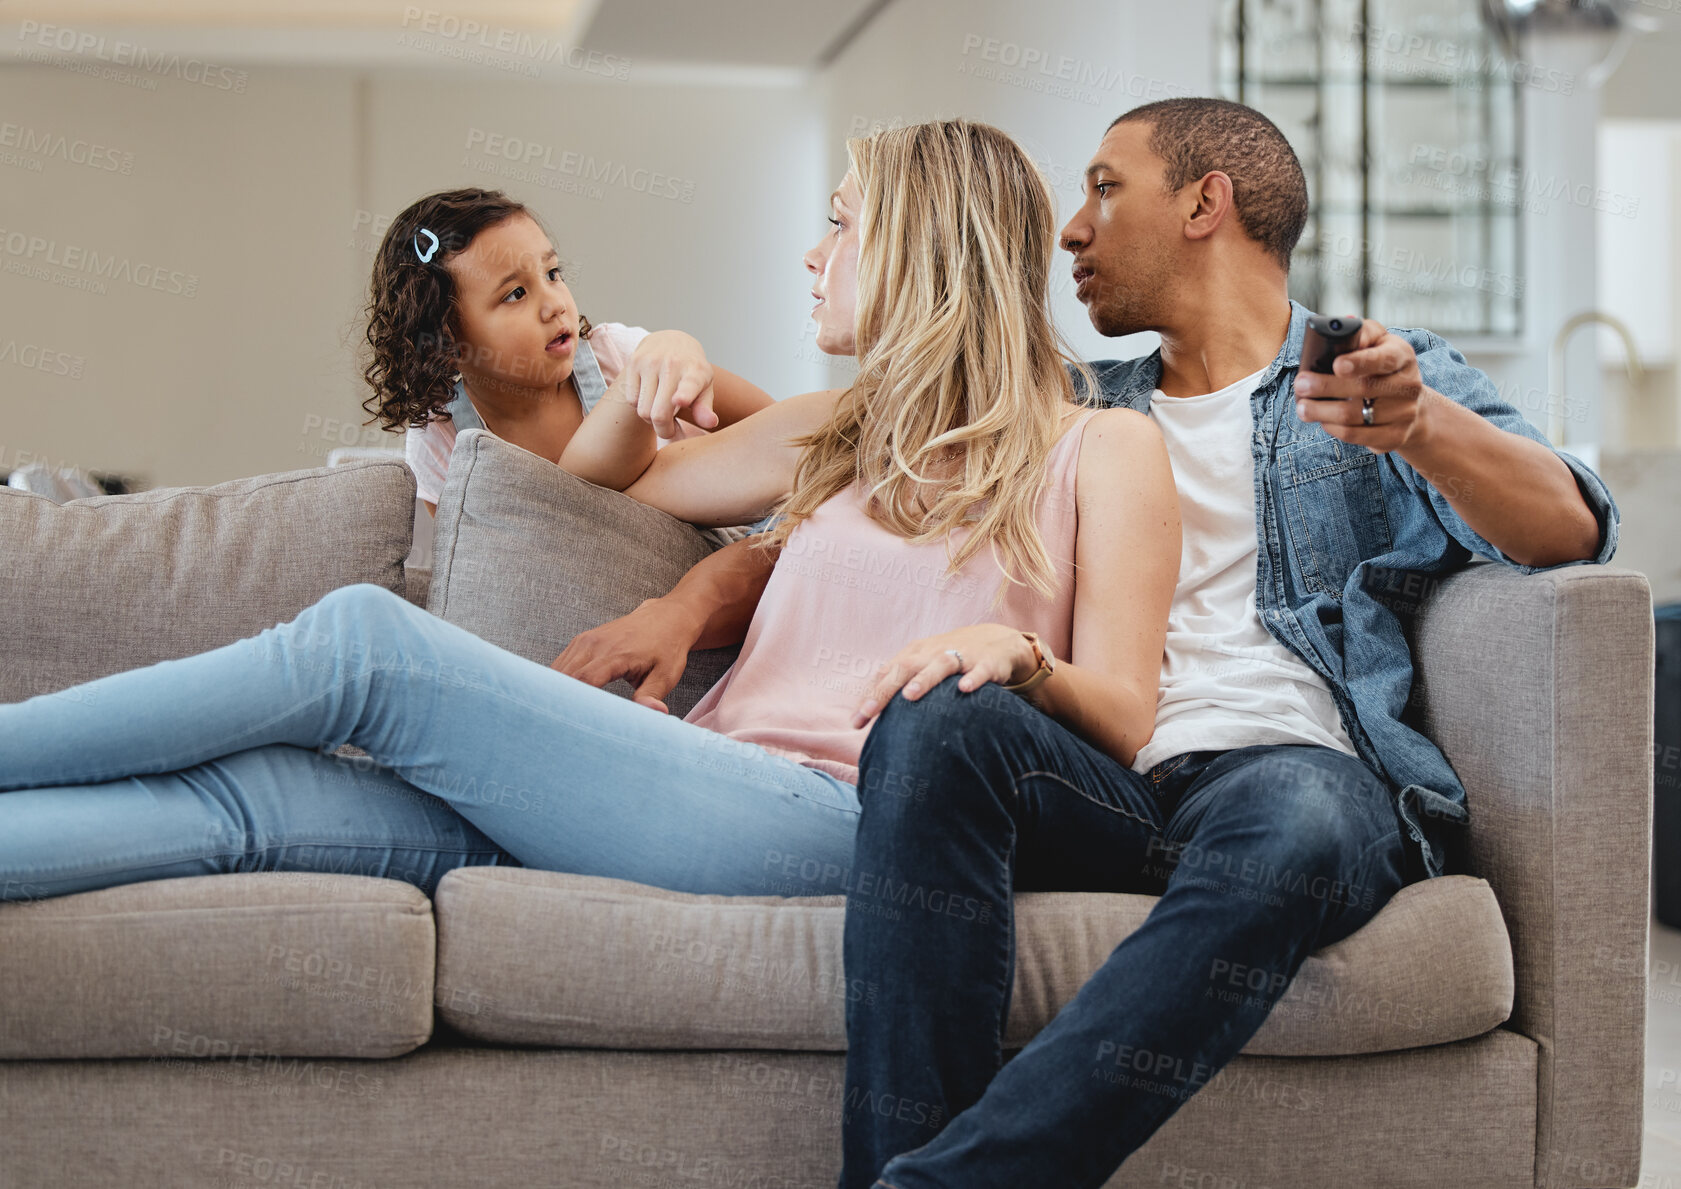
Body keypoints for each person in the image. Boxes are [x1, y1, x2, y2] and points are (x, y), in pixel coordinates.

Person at [555, 98, 1617, 1189]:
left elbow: (1571, 530)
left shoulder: (1365, 380)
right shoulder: (1054, 409)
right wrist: (687, 600)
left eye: (1105, 189)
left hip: (1273, 768)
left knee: (1296, 816)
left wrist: (1422, 424)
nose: (1069, 229)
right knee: (936, 722)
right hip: (1092, 769)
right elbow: (835, 522)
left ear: (1206, 203)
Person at [0, 122, 1179, 923]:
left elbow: (1125, 717)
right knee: (253, 804)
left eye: (840, 224)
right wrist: (664, 375)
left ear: (922, 247)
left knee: (364, 647)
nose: (811, 254)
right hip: (690, 782)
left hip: (844, 821)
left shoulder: (1105, 450)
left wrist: (1018, 661)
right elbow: (602, 481)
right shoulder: (838, 427)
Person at [360, 187, 772, 517]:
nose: (555, 303)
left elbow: (768, 420)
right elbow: (472, 563)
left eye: (553, 274)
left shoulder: (618, 356)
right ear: (447, 342)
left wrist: (677, 347)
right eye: (515, 294)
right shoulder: (442, 435)